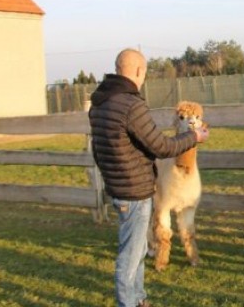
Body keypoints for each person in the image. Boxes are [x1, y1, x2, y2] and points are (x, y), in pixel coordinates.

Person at [88, 48, 209, 307]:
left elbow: (98, 149)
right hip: (135, 189)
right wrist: (193, 138)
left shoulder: (100, 103)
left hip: (118, 187)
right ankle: (128, 303)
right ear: (139, 71)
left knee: (139, 249)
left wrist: (112, 178)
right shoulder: (131, 104)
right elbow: (161, 147)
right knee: (130, 257)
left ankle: (139, 298)